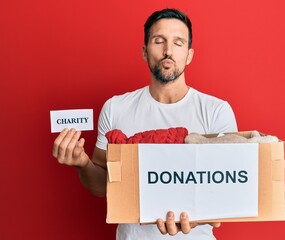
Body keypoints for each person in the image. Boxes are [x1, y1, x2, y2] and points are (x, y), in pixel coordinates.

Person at [52, 8, 238, 240]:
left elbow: (229, 192)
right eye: (158, 41)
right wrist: (82, 163)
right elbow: (101, 186)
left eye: (178, 43)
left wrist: (197, 218)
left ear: (189, 55)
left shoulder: (216, 111)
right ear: (144, 51)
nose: (168, 51)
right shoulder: (115, 108)